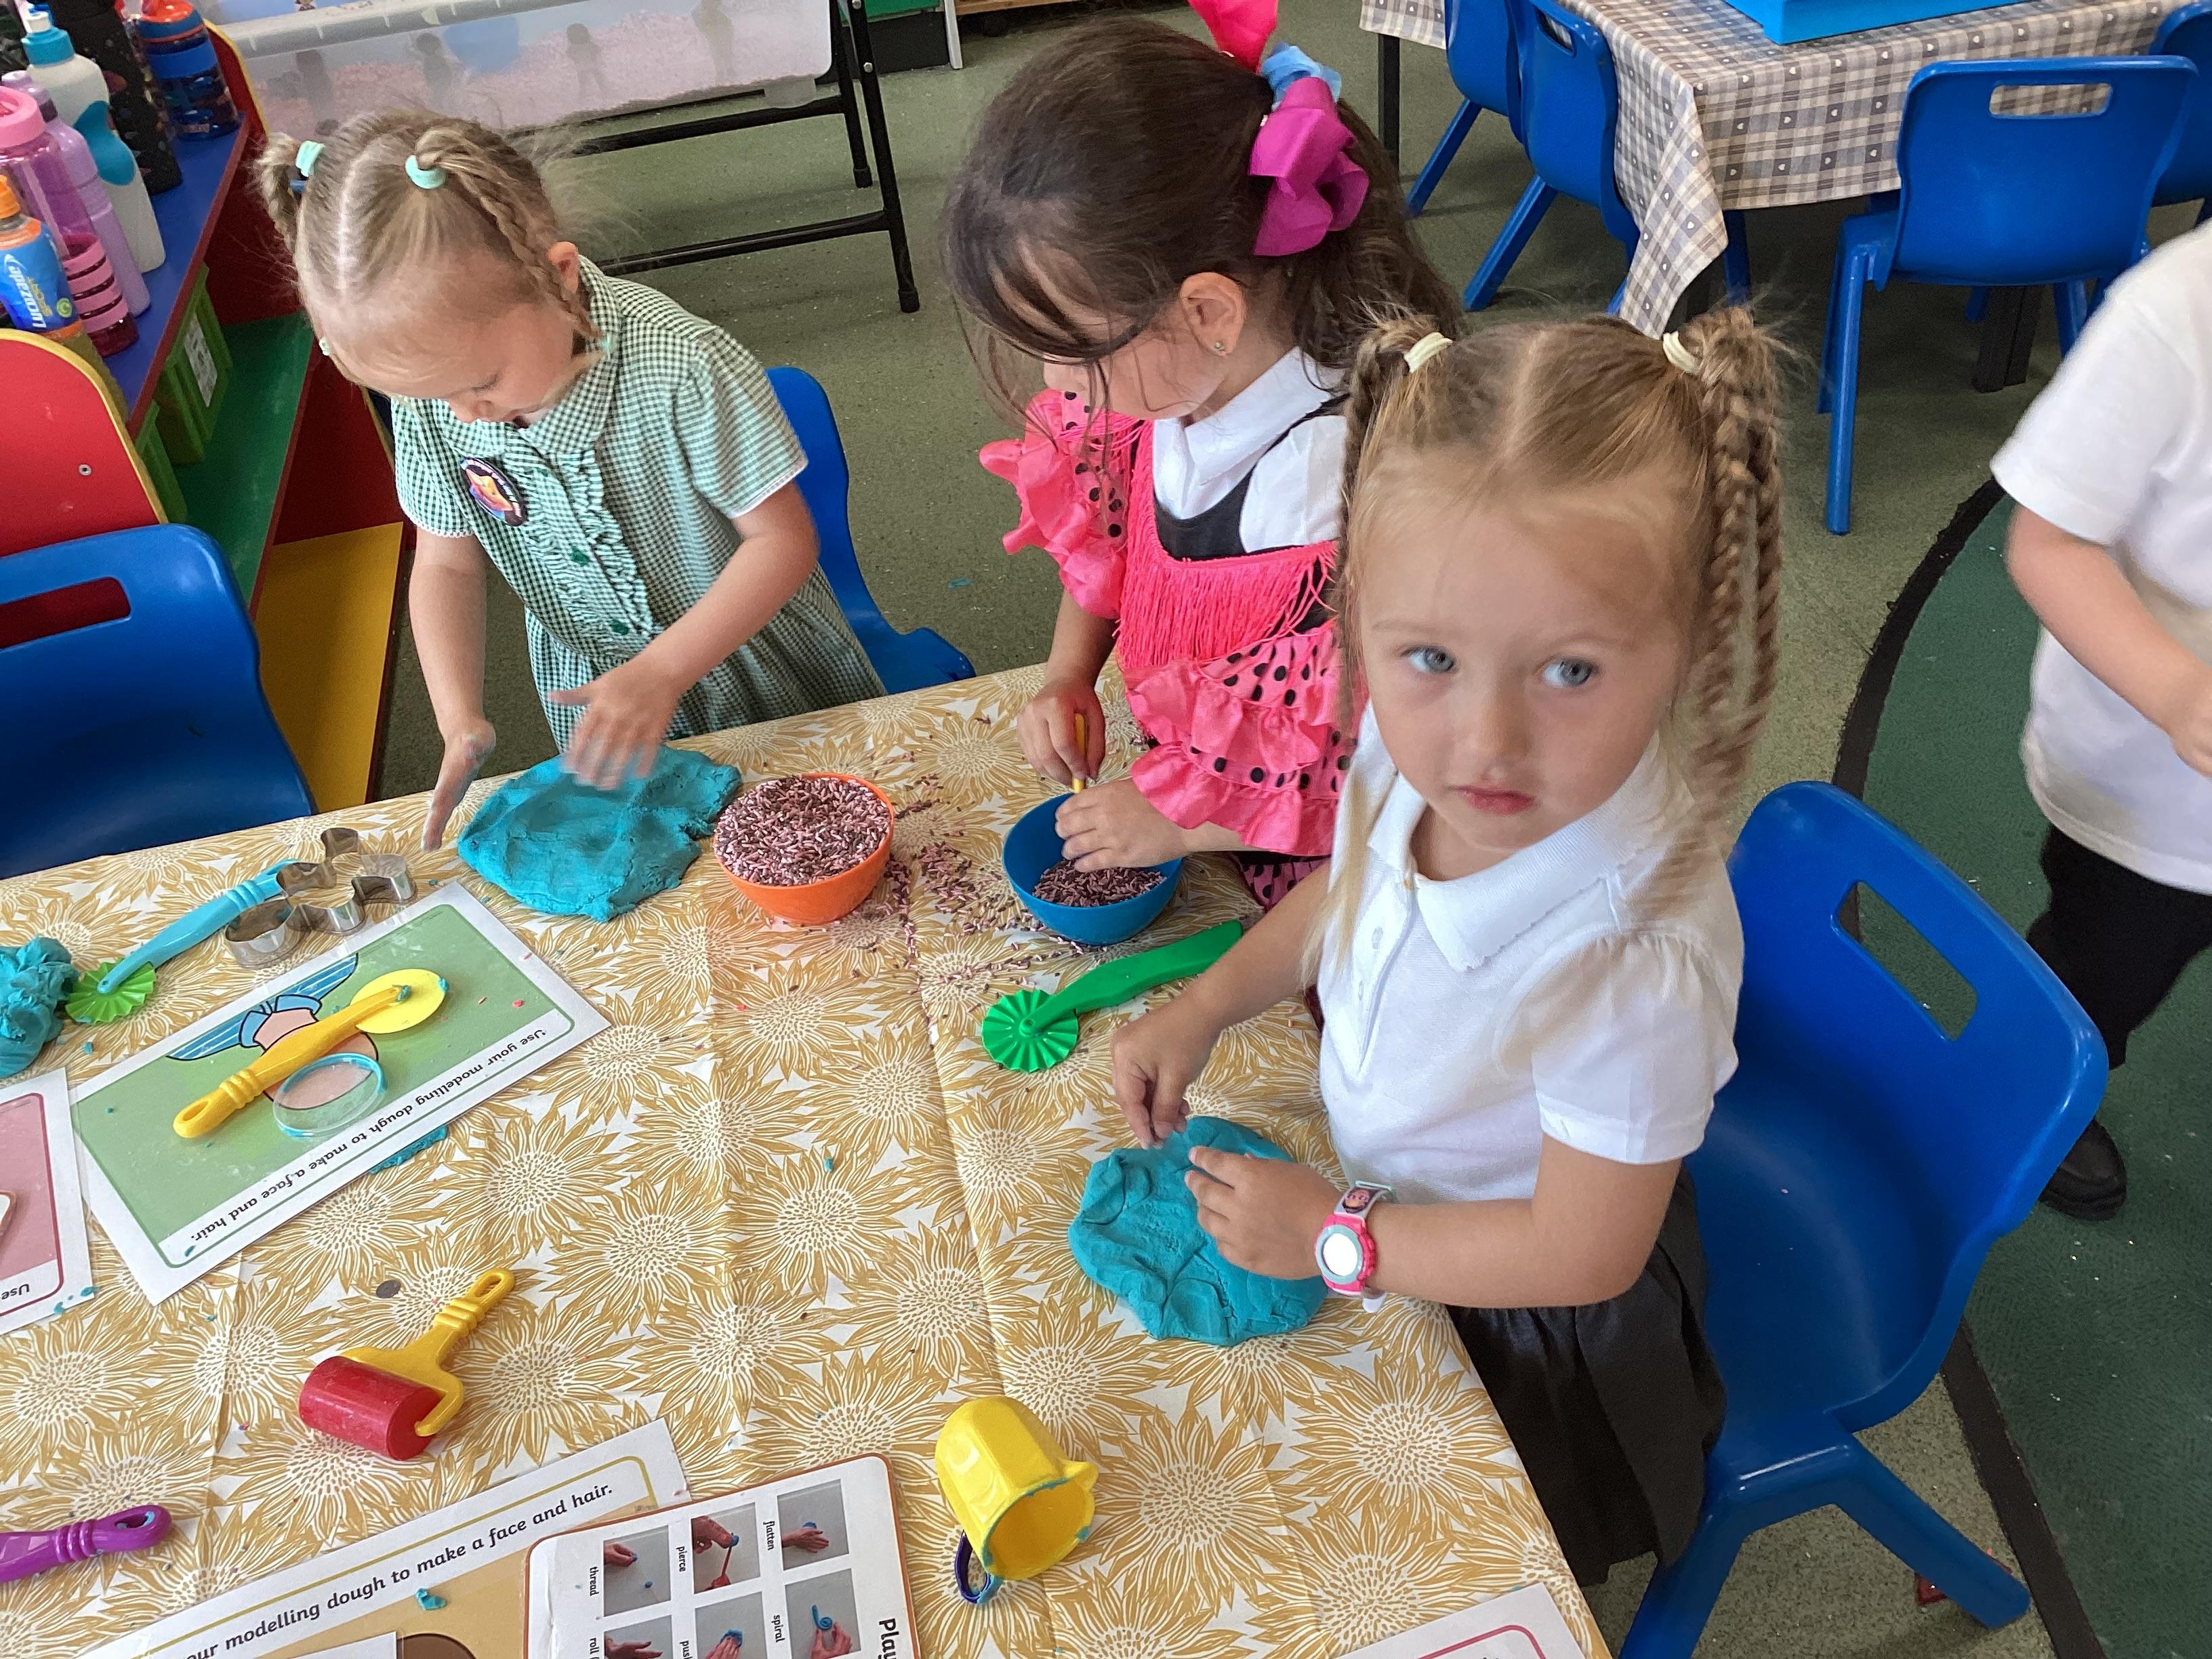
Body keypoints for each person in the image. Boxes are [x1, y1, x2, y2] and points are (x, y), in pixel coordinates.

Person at [1110, 308, 1784, 1583]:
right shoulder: (1403, 740)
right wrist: (1207, 1001)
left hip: (1534, 1321)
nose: (1485, 742)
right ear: (1362, 615)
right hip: (1393, 1212)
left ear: (1688, 643)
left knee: (1473, 1562)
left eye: (1570, 672)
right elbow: (1352, 886)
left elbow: (1584, 1250)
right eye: (1428, 656)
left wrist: (1338, 1237)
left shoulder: (1631, 954)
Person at [943, 3, 1456, 907]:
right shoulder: (1178, 380)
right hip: (1197, 790)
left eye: (1072, 349)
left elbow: (1377, 771)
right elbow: (1119, 548)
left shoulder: (1328, 494)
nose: (1056, 384)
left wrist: (1179, 821)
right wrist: (1068, 673)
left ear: (1210, 310)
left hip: (1326, 878)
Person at [253, 110, 881, 847]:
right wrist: (457, 716)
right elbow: (446, 563)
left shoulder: (683, 365)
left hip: (761, 673)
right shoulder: (437, 402)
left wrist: (662, 670)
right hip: (601, 706)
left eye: (483, 382)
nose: (465, 415)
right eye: (426, 396)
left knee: (819, 847)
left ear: (559, 278)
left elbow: (782, 542)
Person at [1992, 225, 2212, 1221]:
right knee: (2105, 969)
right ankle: (2036, 1091)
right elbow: (2048, 544)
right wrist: (2177, 693)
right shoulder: (2172, 317)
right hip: (2154, 802)